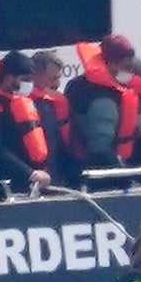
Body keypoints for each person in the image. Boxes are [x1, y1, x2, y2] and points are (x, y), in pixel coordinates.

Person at [0, 53, 54, 201]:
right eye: (26, 80)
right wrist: (29, 173)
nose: (29, 85)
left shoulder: (20, 101)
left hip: (22, 185)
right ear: (9, 78)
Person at [68, 36, 141, 172]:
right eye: (126, 67)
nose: (130, 72)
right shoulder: (103, 98)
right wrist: (124, 176)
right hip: (98, 173)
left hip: (78, 166)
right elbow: (100, 149)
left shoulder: (79, 84)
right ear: (111, 64)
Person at [29, 50, 81, 183]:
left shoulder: (56, 103)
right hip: (43, 177)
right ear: (34, 76)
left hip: (62, 172)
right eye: (53, 79)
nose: (57, 84)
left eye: (58, 78)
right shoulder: (30, 106)